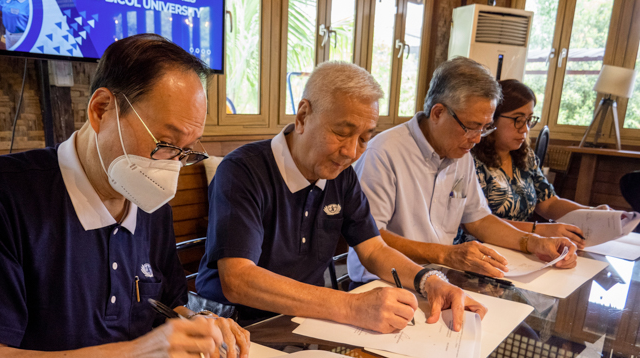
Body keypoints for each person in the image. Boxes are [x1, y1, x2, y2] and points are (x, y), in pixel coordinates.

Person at [0, 34, 266, 358]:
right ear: (102, 109)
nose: (172, 167)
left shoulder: (147, 194)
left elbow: (166, 302)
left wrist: (197, 323)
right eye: (166, 143)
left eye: (187, 152)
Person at [196, 61, 488, 334]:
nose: (351, 152)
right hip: (235, 324)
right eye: (341, 132)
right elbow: (238, 280)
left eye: (364, 138)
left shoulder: (340, 174)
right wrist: (351, 306)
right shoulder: (243, 170)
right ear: (302, 116)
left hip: (305, 321)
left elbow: (373, 250)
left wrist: (430, 281)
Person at [347, 57, 578, 284]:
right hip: (385, 281)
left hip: (440, 276)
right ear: (437, 113)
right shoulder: (384, 153)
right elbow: (371, 237)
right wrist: (446, 255)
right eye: (471, 127)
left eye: (485, 128)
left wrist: (533, 241)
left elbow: (478, 219)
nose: (477, 139)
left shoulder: (461, 153)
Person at [471, 79, 609, 250]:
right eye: (518, 119)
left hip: (523, 247)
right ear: (492, 118)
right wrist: (539, 230)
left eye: (529, 120)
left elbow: (549, 203)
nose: (525, 129)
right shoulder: (472, 160)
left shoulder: (524, 156)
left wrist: (590, 213)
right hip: (482, 248)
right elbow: (477, 222)